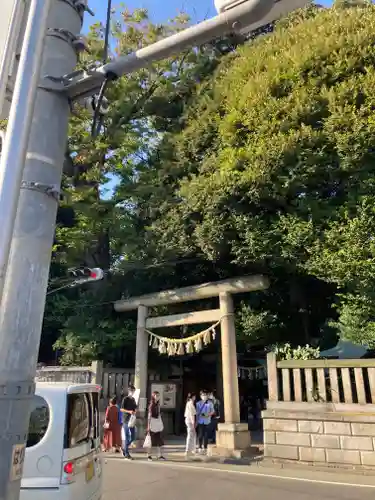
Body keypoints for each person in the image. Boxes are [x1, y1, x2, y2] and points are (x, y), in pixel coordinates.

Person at [146, 391, 165, 461]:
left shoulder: (158, 404)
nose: (157, 397)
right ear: (153, 396)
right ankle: (148, 455)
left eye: (158, 395)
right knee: (150, 440)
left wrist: (161, 423)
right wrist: (148, 426)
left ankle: (159, 455)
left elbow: (159, 414)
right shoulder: (151, 405)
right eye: (156, 395)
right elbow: (149, 416)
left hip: (157, 423)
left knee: (159, 440)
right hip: (152, 423)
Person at [120, 385, 137, 460]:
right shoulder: (125, 399)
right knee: (127, 436)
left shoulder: (133, 399)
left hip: (132, 420)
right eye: (131, 391)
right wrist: (129, 411)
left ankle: (124, 448)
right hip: (126, 420)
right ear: (129, 391)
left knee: (133, 437)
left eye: (133, 391)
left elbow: (135, 407)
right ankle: (127, 454)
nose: (132, 392)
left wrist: (135, 411)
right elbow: (121, 409)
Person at [196, 390, 214, 454]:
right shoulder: (198, 403)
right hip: (200, 421)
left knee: (206, 435)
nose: (204, 396)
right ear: (200, 396)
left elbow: (212, 411)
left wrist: (208, 414)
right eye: (203, 395)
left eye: (205, 395)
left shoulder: (210, 403)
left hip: (207, 421)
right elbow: (197, 412)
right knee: (200, 434)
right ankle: (200, 447)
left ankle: (205, 447)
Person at [184, 393, 196, 458]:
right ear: (193, 397)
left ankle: (190, 450)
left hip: (188, 420)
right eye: (194, 396)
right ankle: (188, 451)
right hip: (190, 420)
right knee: (190, 435)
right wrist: (193, 422)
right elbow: (192, 414)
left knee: (192, 435)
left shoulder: (188, 403)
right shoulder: (190, 404)